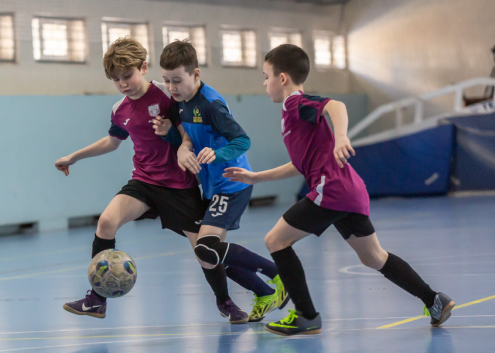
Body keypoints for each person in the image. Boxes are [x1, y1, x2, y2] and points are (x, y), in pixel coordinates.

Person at [223, 44, 454, 336]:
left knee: (276, 241)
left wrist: (341, 136)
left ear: (282, 78)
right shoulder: (291, 114)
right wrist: (256, 178)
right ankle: (434, 300)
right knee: (373, 257)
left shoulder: (296, 103)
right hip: (349, 191)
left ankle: (306, 316)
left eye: (266, 76)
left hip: (331, 190)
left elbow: (336, 106)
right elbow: (301, 164)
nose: (264, 83)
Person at [55, 37, 244, 322]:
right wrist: (74, 157)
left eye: (127, 75)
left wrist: (180, 143)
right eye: (116, 79)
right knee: (106, 222)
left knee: (205, 253)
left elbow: (188, 132)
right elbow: (112, 141)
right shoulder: (119, 109)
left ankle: (225, 301)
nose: (122, 84)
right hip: (144, 182)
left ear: (143, 68)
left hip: (180, 187)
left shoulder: (166, 95)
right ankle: (96, 299)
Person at [154, 40, 289, 323]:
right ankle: (265, 293)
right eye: (166, 80)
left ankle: (278, 274)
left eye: (177, 80)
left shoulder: (211, 104)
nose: (171, 87)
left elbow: (242, 140)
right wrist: (170, 134)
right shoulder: (180, 104)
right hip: (212, 187)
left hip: (232, 184)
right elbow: (189, 139)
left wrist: (217, 154)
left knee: (206, 247)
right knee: (210, 256)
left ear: (196, 74)